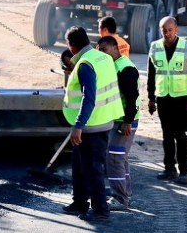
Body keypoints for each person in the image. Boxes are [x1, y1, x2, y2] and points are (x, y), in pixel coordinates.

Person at [60, 26, 123, 222]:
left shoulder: (86, 64)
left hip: (90, 126)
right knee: (79, 165)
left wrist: (79, 125)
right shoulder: (102, 57)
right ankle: (79, 201)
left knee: (93, 168)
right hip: (102, 120)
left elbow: (89, 97)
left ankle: (100, 210)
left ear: (71, 47)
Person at [147, 16, 187, 185]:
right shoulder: (155, 47)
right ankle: (169, 168)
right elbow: (151, 75)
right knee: (167, 135)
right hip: (163, 97)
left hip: (183, 98)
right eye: (164, 30)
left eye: (170, 30)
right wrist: (151, 98)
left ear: (176, 30)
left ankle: (184, 171)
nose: (167, 33)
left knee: (181, 135)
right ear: (160, 30)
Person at [97, 35, 140, 209]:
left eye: (105, 50)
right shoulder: (112, 66)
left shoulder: (126, 68)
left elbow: (132, 97)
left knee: (114, 158)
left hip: (124, 121)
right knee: (119, 158)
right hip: (117, 119)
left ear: (115, 48)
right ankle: (125, 195)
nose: (104, 54)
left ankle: (121, 198)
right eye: (101, 51)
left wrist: (127, 121)